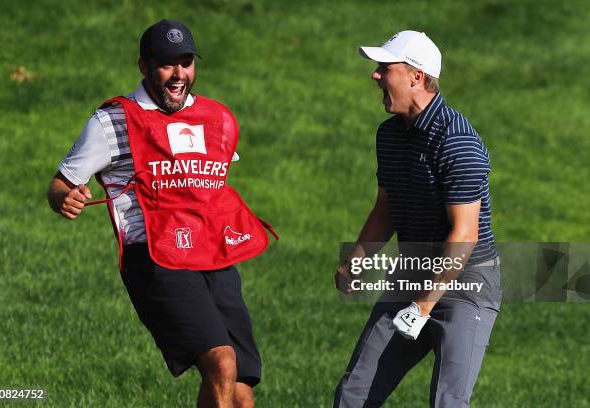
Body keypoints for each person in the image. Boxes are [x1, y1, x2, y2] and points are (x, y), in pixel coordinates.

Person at [47, 19, 276, 408]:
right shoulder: (113, 120)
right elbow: (60, 184)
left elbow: (214, 174)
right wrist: (64, 198)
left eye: (186, 62)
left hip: (213, 255)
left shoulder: (215, 118)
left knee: (240, 390)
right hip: (154, 257)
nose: (179, 74)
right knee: (221, 364)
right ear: (144, 66)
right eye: (168, 63)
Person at [333, 31, 501, 407]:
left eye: (384, 68)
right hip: (413, 271)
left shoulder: (458, 142)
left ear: (416, 77)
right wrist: (355, 261)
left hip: (466, 284)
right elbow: (386, 209)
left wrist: (424, 305)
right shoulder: (389, 135)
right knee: (353, 396)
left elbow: (465, 233)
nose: (375, 76)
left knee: (447, 402)